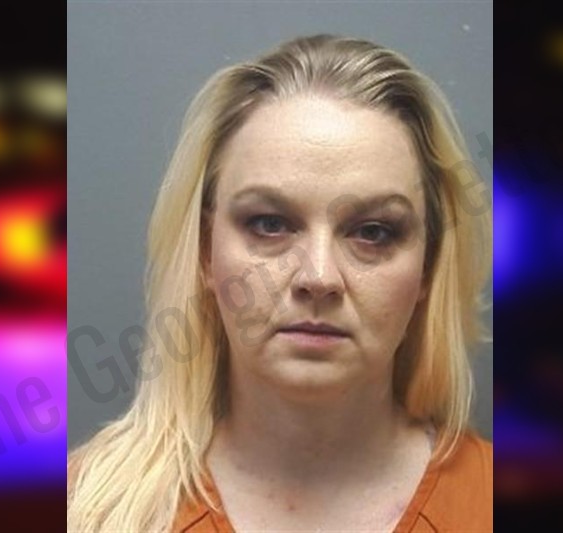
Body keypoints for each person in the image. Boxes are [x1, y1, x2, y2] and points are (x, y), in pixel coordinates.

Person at [68, 34, 492, 532]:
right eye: (269, 224)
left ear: (428, 264)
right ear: (205, 251)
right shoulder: (82, 509)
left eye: (373, 232)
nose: (318, 277)